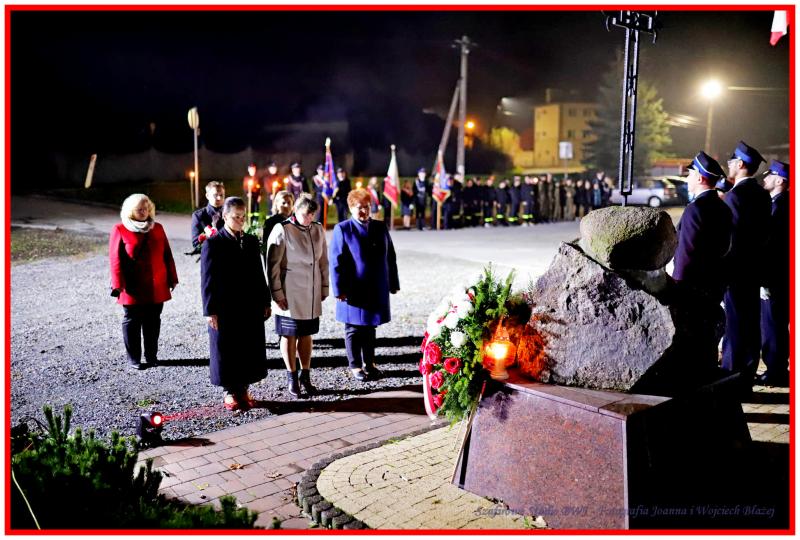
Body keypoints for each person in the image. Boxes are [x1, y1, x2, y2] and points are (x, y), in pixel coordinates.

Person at [201, 197, 271, 411]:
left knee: (247, 346)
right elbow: (207, 279)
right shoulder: (213, 243)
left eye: (243, 217)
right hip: (225, 306)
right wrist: (210, 310)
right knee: (227, 348)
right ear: (225, 217)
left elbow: (259, 273)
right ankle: (230, 390)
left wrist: (265, 300)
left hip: (249, 304)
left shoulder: (250, 241)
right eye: (236, 217)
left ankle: (244, 388)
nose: (240, 220)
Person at [671, 152, 733, 377]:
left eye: (690, 174)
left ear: (699, 178)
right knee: (708, 337)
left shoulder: (695, 209)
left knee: (692, 338)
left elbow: (686, 254)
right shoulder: (722, 208)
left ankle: (693, 381)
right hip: (714, 284)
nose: (687, 179)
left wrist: (677, 285)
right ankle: (706, 376)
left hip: (693, 286)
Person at [329, 189, 400, 381]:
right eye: (360, 207)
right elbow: (336, 261)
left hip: (375, 287)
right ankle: (355, 366)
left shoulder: (380, 227)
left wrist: (393, 282)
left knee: (370, 327)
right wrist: (338, 289)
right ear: (351, 208)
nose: (364, 211)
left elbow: (390, 257)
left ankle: (370, 363)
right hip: (352, 289)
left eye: (367, 207)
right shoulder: (343, 229)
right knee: (353, 328)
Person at [266, 194, 329, 398]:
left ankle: (306, 375)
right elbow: (272, 265)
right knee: (289, 334)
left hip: (311, 290)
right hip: (289, 291)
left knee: (306, 334)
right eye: (305, 214)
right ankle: (291, 377)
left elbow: (323, 261)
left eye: (312, 215)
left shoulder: (318, 229)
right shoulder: (283, 229)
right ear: (295, 211)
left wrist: (324, 286)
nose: (309, 218)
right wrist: (276, 293)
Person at [721, 141, 771, 393]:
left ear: (740, 164)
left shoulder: (735, 196)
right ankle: (747, 377)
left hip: (736, 272)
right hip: (755, 270)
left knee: (734, 327)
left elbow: (732, 240)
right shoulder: (762, 194)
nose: (728, 166)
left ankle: (732, 381)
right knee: (751, 325)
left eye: (731, 162)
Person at [110, 194, 178, 370]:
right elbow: (115, 259)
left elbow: (167, 254)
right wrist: (118, 284)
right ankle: (134, 358)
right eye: (139, 209)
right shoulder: (120, 229)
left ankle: (151, 356)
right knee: (132, 321)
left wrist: (172, 277)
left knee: (153, 321)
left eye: (146, 209)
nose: (144, 212)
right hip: (132, 286)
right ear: (130, 211)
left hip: (156, 284)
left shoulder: (157, 228)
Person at [758, 160, 790, 386]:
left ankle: (776, 370)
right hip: (780, 275)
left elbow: (773, 248)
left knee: (773, 324)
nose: (765, 178)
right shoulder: (780, 204)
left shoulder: (779, 207)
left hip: (775, 276)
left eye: (770, 176)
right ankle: (776, 367)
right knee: (775, 323)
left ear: (780, 180)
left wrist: (765, 279)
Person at [262, 190, 294, 266]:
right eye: (283, 203)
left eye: (289, 203)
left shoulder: (295, 222)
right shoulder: (270, 222)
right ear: (277, 204)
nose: (286, 206)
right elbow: (267, 247)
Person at [191, 181, 226, 252]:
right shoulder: (199, 216)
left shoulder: (229, 214)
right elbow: (196, 243)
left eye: (221, 195)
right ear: (207, 196)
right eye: (215, 195)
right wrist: (208, 237)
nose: (219, 198)